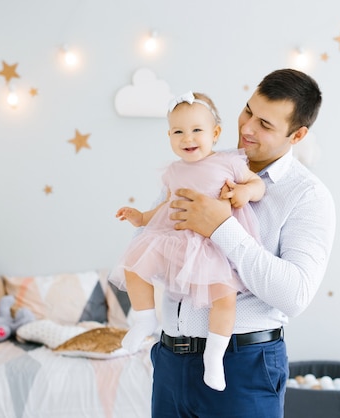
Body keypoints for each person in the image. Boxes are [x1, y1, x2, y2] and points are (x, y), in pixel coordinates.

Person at [150, 68, 336, 418]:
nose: (247, 128)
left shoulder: (308, 196)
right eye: (248, 110)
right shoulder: (199, 162)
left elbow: (295, 295)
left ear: (297, 135)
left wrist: (220, 227)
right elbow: (151, 248)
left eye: (266, 125)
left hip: (243, 367)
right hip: (170, 361)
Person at [109, 91, 265, 392]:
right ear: (169, 135)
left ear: (215, 133)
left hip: (210, 246)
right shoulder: (174, 171)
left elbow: (256, 184)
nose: (187, 138)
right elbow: (166, 205)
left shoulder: (227, 163)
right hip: (175, 241)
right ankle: (144, 319)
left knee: (224, 298)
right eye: (178, 131)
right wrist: (141, 217)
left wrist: (245, 193)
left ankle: (214, 355)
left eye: (196, 130)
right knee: (133, 265)